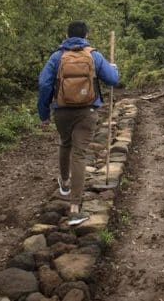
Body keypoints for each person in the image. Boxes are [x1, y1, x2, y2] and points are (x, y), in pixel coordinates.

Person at [38, 20, 120, 225]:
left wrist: (44, 113)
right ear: (86, 35)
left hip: (62, 111)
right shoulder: (93, 55)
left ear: (67, 35)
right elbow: (112, 80)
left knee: (65, 144)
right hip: (87, 111)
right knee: (80, 155)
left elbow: (43, 83)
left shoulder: (57, 56)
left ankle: (64, 182)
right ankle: (75, 208)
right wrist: (113, 69)